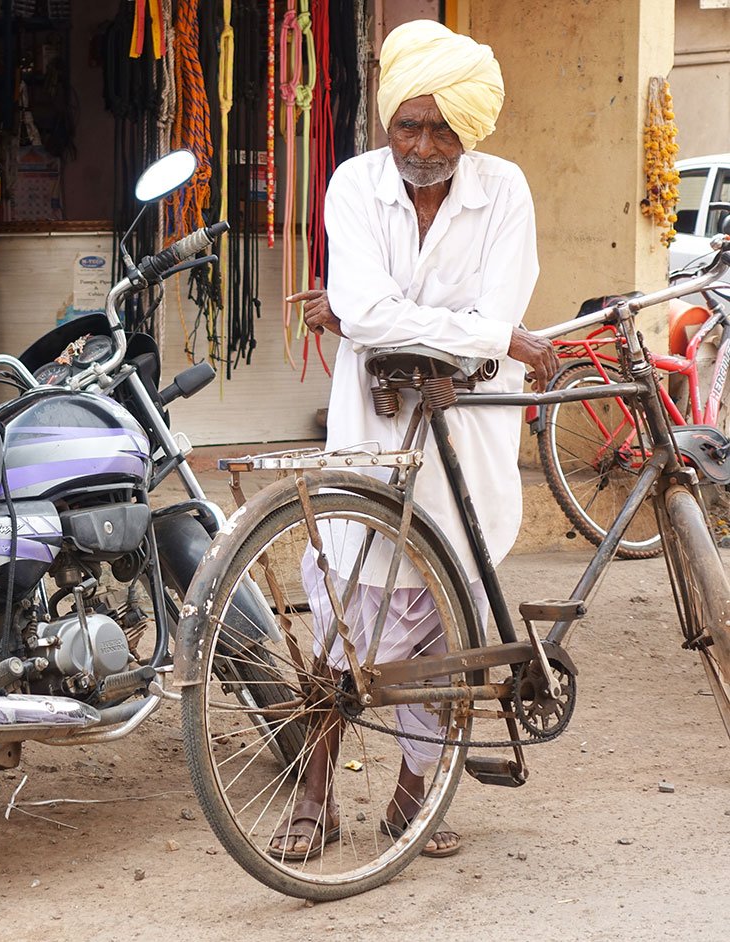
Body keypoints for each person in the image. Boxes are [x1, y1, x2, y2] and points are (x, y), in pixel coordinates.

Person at [273, 19, 557, 861]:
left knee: (444, 623)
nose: (423, 145)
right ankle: (315, 796)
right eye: (408, 124)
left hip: (465, 433)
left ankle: (414, 794)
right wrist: (486, 335)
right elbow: (386, 311)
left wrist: (446, 329)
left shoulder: (504, 191)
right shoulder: (356, 185)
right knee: (341, 625)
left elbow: (471, 311)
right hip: (373, 428)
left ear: (469, 131)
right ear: (385, 121)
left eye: (441, 129)